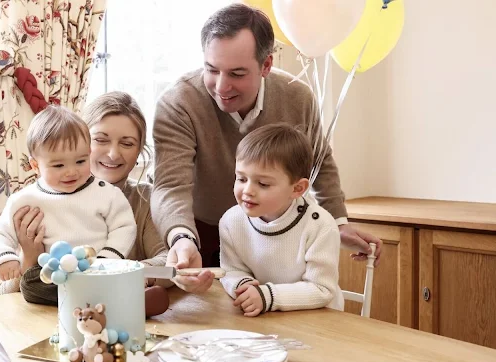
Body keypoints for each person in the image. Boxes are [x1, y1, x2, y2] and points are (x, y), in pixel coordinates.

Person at [150, 3, 381, 293]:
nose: (221, 86)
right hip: (201, 233)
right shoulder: (179, 103)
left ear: (266, 65)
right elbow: (170, 186)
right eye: (211, 69)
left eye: (236, 74)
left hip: (279, 236)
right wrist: (182, 239)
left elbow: (320, 162)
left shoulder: (298, 98)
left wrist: (337, 221)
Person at [3, 92, 173, 316]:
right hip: (47, 316)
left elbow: (168, 261)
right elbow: (6, 293)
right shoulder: (37, 200)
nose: (113, 154)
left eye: (127, 143)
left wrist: (115, 272)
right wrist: (29, 256)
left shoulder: (146, 199)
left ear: (139, 150)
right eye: (101, 140)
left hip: (110, 317)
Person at [0, 105, 137, 285]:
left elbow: (125, 227)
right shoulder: (25, 199)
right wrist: (5, 257)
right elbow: (0, 232)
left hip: (98, 276)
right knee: (32, 289)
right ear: (35, 166)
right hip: (51, 280)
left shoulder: (106, 193)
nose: (71, 172)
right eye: (59, 166)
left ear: (88, 153)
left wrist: (107, 260)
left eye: (80, 161)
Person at [219, 123, 343, 317]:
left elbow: (322, 289)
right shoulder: (231, 221)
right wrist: (243, 286)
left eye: (263, 183)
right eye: (241, 179)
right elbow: (231, 270)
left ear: (297, 189)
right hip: (267, 319)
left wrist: (267, 296)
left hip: (318, 322)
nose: (247, 191)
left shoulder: (321, 225)